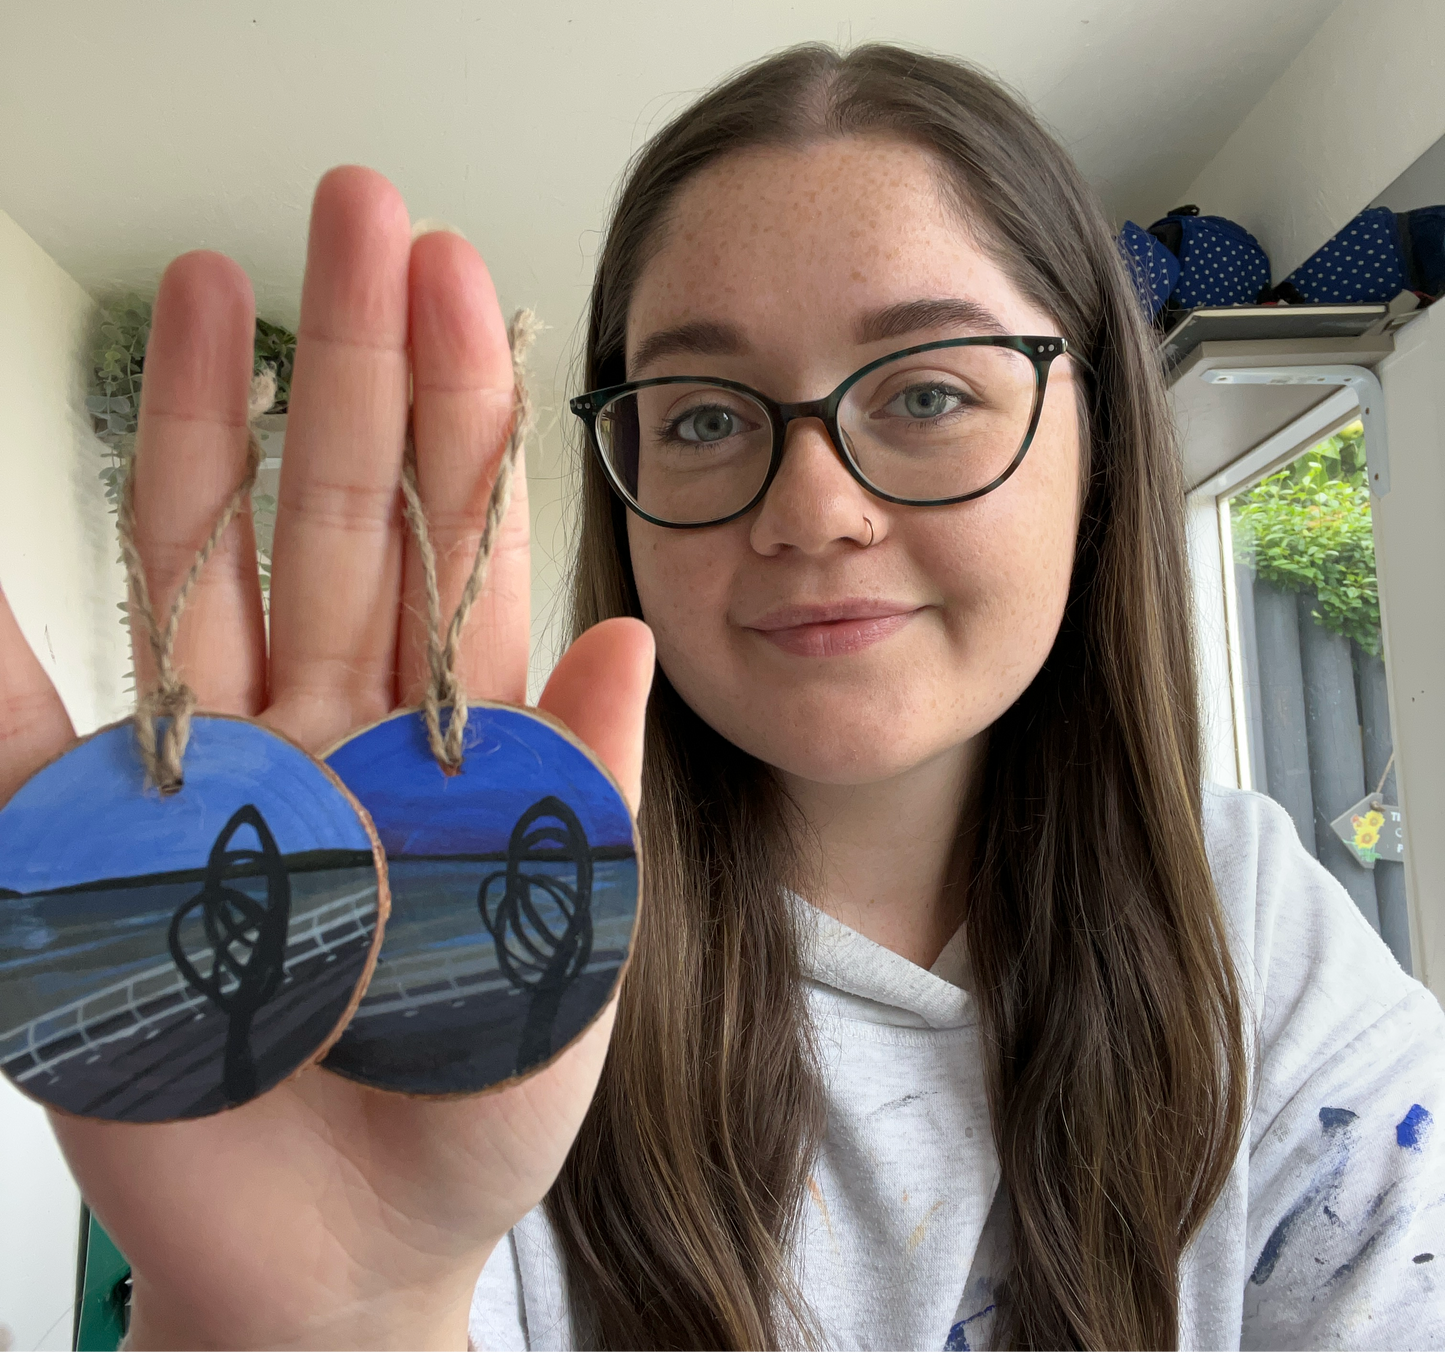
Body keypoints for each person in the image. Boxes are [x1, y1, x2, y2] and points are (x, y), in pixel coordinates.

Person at [1, 41, 1441, 1352]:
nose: (814, 509)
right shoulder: (479, 923)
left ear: (1103, 449)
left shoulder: (1248, 920)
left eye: (927, 393)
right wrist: (332, 1320)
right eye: (701, 415)